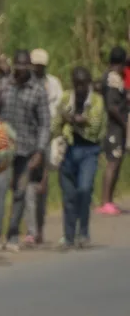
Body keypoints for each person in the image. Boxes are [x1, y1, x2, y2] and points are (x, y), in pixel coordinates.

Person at [0, 50, 51, 250]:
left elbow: (44, 123)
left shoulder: (38, 90)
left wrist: (39, 151)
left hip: (27, 149)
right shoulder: (3, 85)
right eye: (18, 66)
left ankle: (12, 235)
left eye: (25, 66)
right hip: (2, 145)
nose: (21, 70)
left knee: (19, 192)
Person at [53, 66, 105, 249]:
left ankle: (83, 231)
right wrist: (66, 121)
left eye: (83, 84)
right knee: (69, 195)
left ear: (89, 83)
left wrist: (73, 119)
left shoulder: (97, 100)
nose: (81, 88)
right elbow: (56, 122)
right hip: (69, 149)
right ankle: (68, 236)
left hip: (89, 150)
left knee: (84, 188)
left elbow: (94, 125)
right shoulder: (67, 98)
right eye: (77, 84)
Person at [98, 46, 126, 216]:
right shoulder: (112, 78)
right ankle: (105, 201)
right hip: (114, 127)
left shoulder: (112, 77)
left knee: (117, 161)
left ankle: (109, 201)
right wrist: (124, 124)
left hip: (117, 126)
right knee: (112, 163)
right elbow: (112, 106)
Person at [32, 48, 64, 117]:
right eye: (36, 65)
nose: (37, 68)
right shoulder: (27, 83)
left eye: (40, 66)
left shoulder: (54, 82)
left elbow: (60, 101)